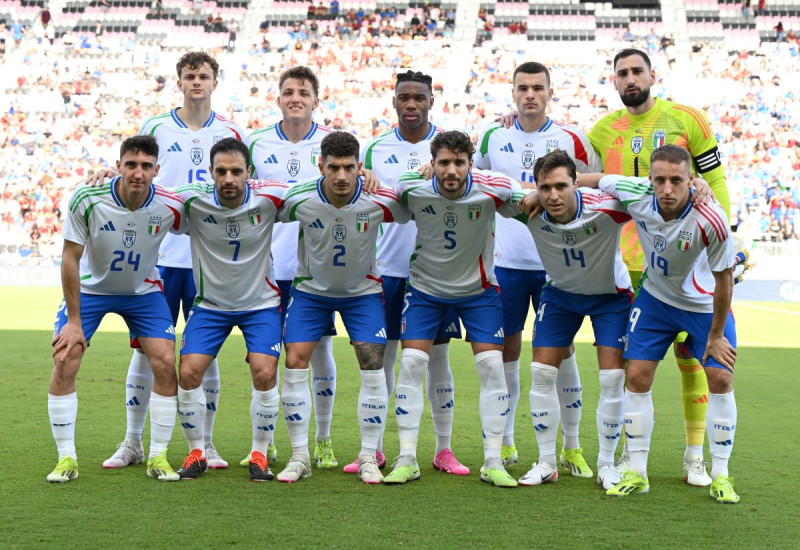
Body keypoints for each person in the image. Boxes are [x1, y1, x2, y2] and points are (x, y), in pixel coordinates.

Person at [588, 48, 729, 486]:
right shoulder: (601, 130)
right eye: (622, 73)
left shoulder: (687, 119)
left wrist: (720, 229)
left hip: (690, 259)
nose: (630, 78)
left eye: (637, 71)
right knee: (632, 369)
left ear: (652, 74)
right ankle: (634, 460)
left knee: (693, 362)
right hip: (626, 265)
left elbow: (715, 177)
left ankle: (695, 457)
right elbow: (591, 184)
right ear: (613, 81)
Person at [103, 51, 245, 471]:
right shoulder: (156, 128)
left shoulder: (231, 130)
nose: (196, 82)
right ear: (179, 82)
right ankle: (132, 442)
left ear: (215, 82)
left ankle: (207, 443)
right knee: (148, 352)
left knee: (207, 352)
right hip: (161, 257)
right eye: (189, 76)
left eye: (203, 75)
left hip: (208, 259)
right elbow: (136, 177)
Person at [585, 145, 739, 503]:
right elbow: (586, 179)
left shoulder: (710, 218)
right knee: (636, 375)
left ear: (691, 180)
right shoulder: (634, 192)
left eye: (677, 180)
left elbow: (725, 279)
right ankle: (637, 471)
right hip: (655, 299)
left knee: (720, 376)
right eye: (660, 180)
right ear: (649, 179)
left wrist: (715, 336)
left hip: (703, 306)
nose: (667, 189)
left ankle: (721, 474)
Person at [476, 61, 602, 474]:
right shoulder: (494, 135)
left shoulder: (571, 138)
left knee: (562, 353)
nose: (530, 94)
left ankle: (571, 446)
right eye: (523, 88)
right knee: (507, 351)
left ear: (550, 92)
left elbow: (593, 183)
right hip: (507, 263)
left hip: (557, 265)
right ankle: (509, 442)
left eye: (537, 87)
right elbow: (474, 180)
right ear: (512, 93)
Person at [385, 130, 520, 488]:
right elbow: (398, 188)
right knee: (412, 364)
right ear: (433, 163)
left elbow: (529, 195)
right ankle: (407, 458)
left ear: (470, 164)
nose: (451, 170)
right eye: (444, 162)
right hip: (426, 290)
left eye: (459, 162)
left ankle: (493, 460)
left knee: (493, 367)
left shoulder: (493, 188)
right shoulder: (414, 189)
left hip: (478, 292)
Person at [47, 135, 186, 483]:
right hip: (92, 291)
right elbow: (69, 258)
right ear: (119, 165)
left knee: (166, 362)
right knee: (65, 356)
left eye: (146, 166)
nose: (138, 173)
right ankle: (66, 459)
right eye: (131, 165)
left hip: (143, 292)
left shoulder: (171, 204)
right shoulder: (88, 197)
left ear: (157, 169)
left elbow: (208, 208)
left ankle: (157, 456)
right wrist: (74, 322)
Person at [275, 132, 410, 485]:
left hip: (363, 293)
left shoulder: (378, 199)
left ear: (359, 168)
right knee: (293, 363)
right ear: (320, 166)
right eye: (333, 167)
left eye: (349, 168)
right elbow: (264, 205)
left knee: (373, 365)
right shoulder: (299, 198)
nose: (340, 176)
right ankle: (300, 455)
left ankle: (368, 456)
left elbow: (411, 207)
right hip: (310, 292)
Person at [355, 70, 468, 476]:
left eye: (419, 97)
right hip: (386, 268)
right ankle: (376, 447)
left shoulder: (449, 148)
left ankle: (443, 449)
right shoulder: (376, 148)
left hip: (436, 272)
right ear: (394, 101)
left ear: (431, 100)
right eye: (404, 97)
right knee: (380, 359)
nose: (411, 104)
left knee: (437, 358)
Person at [504, 150, 631, 489]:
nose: (554, 195)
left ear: (576, 183)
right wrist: (528, 194)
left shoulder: (608, 207)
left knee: (612, 378)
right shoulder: (529, 209)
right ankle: (546, 462)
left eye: (562, 185)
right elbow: (492, 191)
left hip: (611, 297)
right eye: (545, 187)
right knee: (541, 373)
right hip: (560, 296)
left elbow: (645, 191)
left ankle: (607, 464)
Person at [173, 138, 289, 482]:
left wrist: (364, 175)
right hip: (211, 306)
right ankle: (197, 451)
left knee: (264, 371)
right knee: (189, 371)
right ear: (210, 172)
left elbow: (319, 190)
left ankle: (259, 453)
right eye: (221, 171)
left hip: (261, 305)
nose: (228, 179)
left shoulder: (269, 196)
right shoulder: (192, 199)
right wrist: (108, 177)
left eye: (236, 171)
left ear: (248, 173)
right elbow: (149, 193)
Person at [244, 66, 339, 469]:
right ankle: (267, 442)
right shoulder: (255, 143)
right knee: (264, 356)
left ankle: (322, 439)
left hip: (316, 269)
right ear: (278, 98)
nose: (295, 97)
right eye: (288, 91)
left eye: (303, 91)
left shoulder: (332, 144)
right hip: (266, 266)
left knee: (319, 352)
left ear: (317, 99)